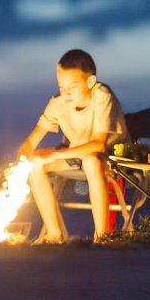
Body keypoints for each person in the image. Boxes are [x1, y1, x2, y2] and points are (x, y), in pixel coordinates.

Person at [16, 49, 128, 243]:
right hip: (75, 156)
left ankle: (102, 236)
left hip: (110, 159)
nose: (66, 93)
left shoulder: (102, 96)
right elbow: (30, 142)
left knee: (91, 161)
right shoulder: (58, 104)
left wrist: (57, 155)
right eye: (61, 86)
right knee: (35, 164)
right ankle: (53, 234)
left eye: (73, 87)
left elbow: (99, 145)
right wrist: (21, 161)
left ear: (90, 82)